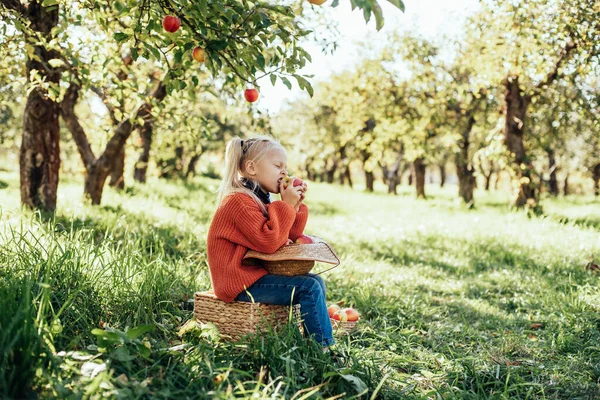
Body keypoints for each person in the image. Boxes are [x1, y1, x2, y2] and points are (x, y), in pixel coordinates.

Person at [206, 135, 335, 351]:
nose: (284, 172)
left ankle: (311, 340)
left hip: (254, 277)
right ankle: (323, 352)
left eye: (286, 167)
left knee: (316, 282)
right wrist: (285, 206)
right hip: (237, 283)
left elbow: (288, 236)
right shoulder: (239, 201)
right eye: (277, 166)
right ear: (252, 168)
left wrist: (295, 206)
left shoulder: (259, 200)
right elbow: (269, 243)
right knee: (309, 287)